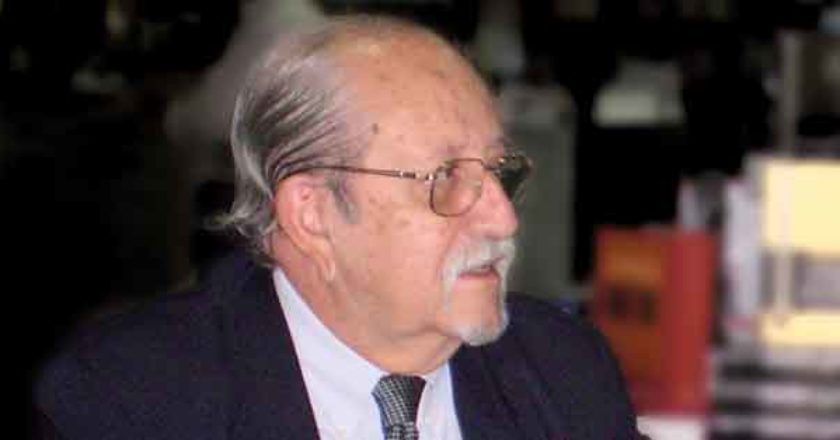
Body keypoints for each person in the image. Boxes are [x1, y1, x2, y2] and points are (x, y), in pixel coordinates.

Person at [33, 15, 643, 439]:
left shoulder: (563, 370)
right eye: (445, 179)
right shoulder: (131, 401)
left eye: (498, 172)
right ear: (312, 215)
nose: (502, 218)